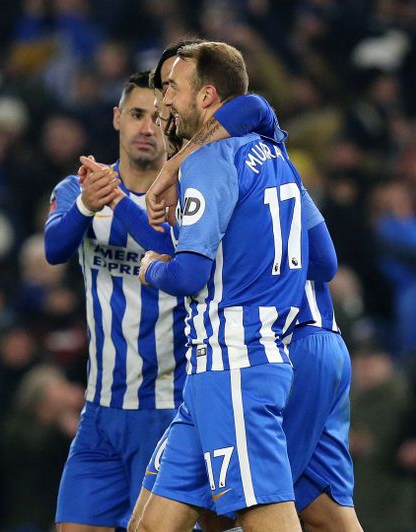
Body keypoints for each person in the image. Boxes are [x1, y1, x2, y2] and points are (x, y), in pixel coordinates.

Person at [127, 41, 323, 531]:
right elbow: (325, 259)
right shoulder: (278, 155)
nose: (164, 101)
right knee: (150, 526)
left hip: (236, 365)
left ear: (208, 96)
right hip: (219, 369)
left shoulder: (210, 162)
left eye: (172, 88)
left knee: (269, 522)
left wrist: (151, 265)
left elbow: (189, 274)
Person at [44, 71, 187, 531]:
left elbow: (166, 245)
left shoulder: (189, 198)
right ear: (117, 119)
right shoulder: (78, 189)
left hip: (167, 408)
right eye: (137, 115)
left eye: (158, 117)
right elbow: (53, 249)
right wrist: (88, 205)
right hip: (100, 411)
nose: (147, 127)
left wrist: (119, 202)